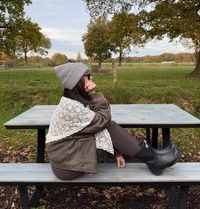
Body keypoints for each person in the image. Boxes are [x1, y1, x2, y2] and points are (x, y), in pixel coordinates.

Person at [46, 62, 179, 180]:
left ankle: (153, 155)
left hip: (70, 156)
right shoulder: (71, 107)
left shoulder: (76, 100)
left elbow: (97, 126)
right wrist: (93, 94)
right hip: (66, 167)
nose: (91, 78)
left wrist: (116, 153)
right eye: (87, 76)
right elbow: (104, 120)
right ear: (78, 82)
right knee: (108, 125)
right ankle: (153, 160)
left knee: (109, 125)